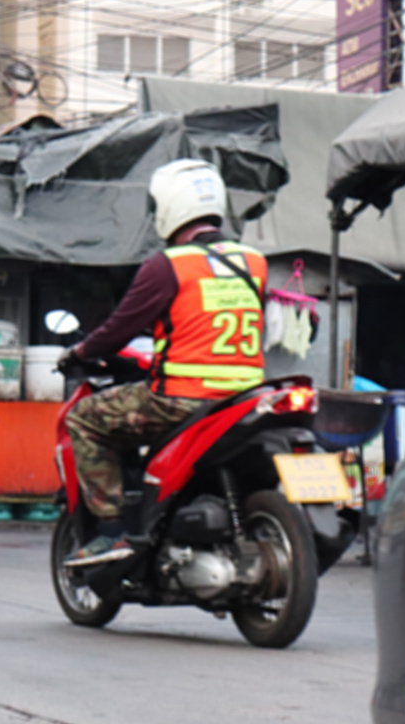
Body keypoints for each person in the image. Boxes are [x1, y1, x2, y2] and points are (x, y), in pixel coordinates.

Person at [59, 159, 268, 568]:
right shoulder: (254, 262)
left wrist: (80, 353)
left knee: (83, 418)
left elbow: (119, 329)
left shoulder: (168, 265)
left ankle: (110, 533)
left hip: (182, 399)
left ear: (171, 207)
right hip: (244, 398)